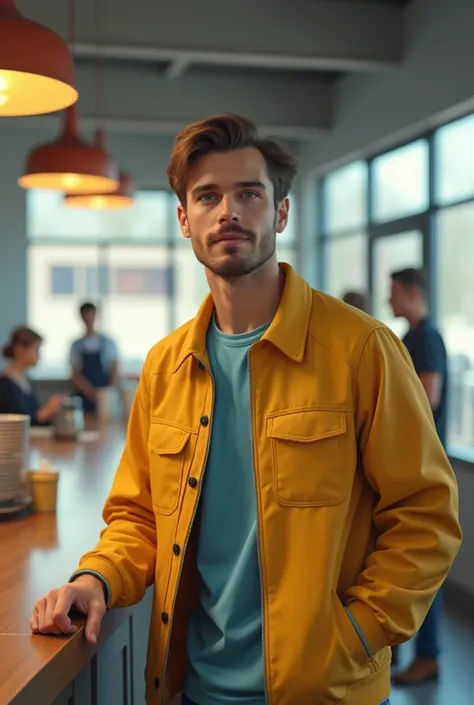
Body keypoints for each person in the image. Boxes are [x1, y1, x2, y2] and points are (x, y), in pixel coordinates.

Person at [29, 114, 462, 705]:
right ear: (184, 219)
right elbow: (138, 517)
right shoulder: (165, 367)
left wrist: (360, 632)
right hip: (193, 690)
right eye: (207, 196)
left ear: (280, 213)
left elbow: (426, 513)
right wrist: (95, 576)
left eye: (249, 193)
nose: (228, 211)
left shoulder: (361, 350)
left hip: (327, 690)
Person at [389, 267, 449, 686]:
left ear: (412, 294)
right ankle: (397, 649)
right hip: (405, 462)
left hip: (421, 465)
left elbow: (426, 399)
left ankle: (428, 654)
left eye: (395, 293)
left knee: (422, 563)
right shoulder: (411, 336)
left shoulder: (426, 337)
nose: (390, 301)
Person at [0, 326, 64, 424]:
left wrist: (50, 411)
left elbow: (34, 413)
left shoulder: (24, 380)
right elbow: (20, 422)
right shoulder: (5, 385)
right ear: (20, 349)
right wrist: (47, 410)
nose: (39, 355)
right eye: (36, 349)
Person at [69, 302, 118, 413]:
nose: (89, 319)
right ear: (81, 317)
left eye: (91, 315)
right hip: (84, 397)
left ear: (96, 315)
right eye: (86, 316)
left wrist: (107, 393)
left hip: (105, 396)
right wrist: (91, 393)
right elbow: (75, 375)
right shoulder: (76, 345)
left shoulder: (108, 343)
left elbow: (115, 369)